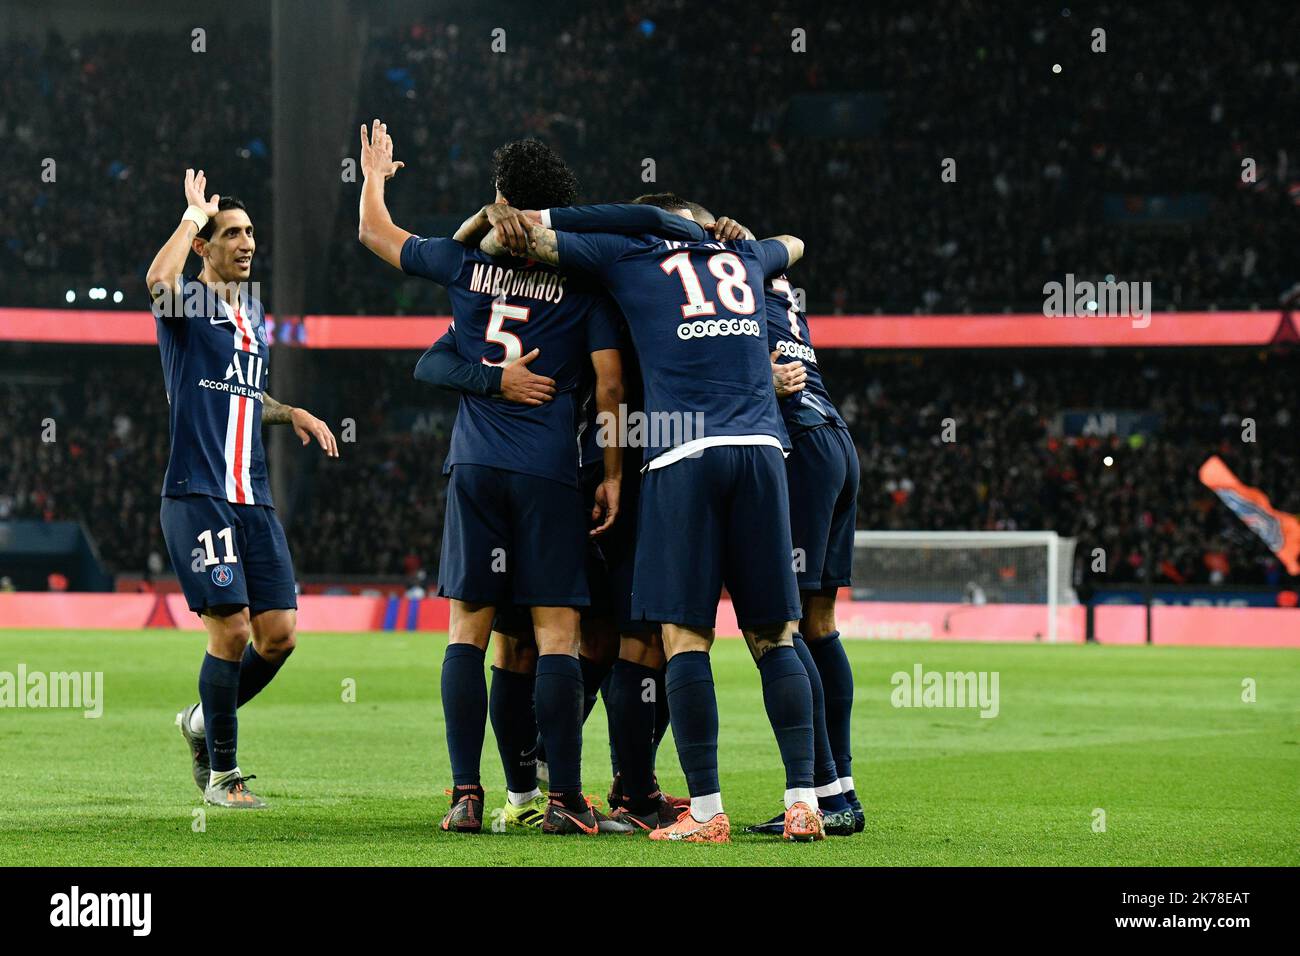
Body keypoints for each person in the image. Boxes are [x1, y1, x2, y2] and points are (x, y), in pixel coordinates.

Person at [481, 195, 822, 843]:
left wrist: (540, 216)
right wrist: (736, 233)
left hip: (684, 456)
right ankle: (803, 802)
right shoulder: (744, 256)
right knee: (776, 635)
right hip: (761, 453)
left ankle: (705, 811)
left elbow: (515, 244)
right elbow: (795, 240)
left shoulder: (629, 255)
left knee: (683, 639)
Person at [357, 120, 630, 835]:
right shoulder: (584, 279)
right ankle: (566, 801)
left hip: (475, 465)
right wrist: (611, 474)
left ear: (501, 198)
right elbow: (608, 389)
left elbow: (377, 236)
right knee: (557, 634)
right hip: (546, 471)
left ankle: (465, 796)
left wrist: (377, 177)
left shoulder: (462, 265)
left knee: (466, 634)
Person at [146, 169, 338, 810]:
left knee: (277, 633)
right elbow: (156, 284)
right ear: (207, 245)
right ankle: (223, 777)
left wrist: (293, 413)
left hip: (252, 497)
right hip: (197, 492)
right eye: (232, 233)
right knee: (229, 631)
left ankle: (200, 719)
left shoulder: (251, 314)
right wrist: (191, 218)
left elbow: (244, 396)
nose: (247, 242)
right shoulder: (188, 305)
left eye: (251, 231)